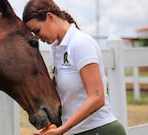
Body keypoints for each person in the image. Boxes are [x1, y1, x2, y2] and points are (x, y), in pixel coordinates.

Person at [22, 0, 127, 135]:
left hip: (100, 129)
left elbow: (97, 98)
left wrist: (62, 130)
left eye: (37, 30)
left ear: (50, 17)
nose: (37, 37)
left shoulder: (80, 43)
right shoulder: (56, 49)